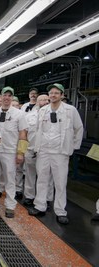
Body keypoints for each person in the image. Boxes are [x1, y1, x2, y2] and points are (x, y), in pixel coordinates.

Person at [28, 83, 83, 225]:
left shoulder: (70, 110)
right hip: (44, 150)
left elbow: (78, 128)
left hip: (60, 152)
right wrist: (36, 148)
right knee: (42, 179)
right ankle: (40, 206)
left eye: (56, 93)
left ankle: (60, 211)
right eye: (51, 93)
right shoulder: (43, 110)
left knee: (60, 182)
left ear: (62, 95)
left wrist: (73, 146)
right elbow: (38, 129)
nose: (53, 95)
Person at [0, 86, 28, 218]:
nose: (6, 98)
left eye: (9, 96)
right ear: (1, 97)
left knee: (10, 179)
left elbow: (23, 134)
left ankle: (10, 206)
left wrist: (21, 152)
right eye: (5, 95)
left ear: (12, 98)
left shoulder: (19, 114)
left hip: (10, 152)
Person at [23, 94, 51, 206]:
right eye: (41, 99)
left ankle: (47, 198)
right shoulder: (29, 116)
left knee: (47, 177)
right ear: (37, 102)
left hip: (46, 150)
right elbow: (24, 133)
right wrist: (23, 149)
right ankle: (29, 196)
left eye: (46, 99)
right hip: (31, 149)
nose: (44, 101)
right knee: (30, 174)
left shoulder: (53, 115)